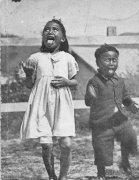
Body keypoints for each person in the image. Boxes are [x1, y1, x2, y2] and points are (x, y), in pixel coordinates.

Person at [20, 19, 79, 180]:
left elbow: (75, 81)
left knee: (66, 144)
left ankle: (63, 176)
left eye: (55, 29)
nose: (50, 31)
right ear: (43, 36)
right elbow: (29, 85)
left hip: (62, 106)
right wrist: (27, 75)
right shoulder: (35, 58)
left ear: (63, 38)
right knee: (46, 145)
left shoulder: (67, 57)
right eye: (46, 29)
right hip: (42, 106)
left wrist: (67, 82)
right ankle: (52, 176)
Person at [85, 44, 139, 180]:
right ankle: (101, 173)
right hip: (101, 122)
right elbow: (88, 101)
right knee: (102, 149)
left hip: (119, 119)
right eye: (107, 60)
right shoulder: (94, 81)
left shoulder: (120, 81)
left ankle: (125, 162)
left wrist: (131, 105)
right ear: (98, 62)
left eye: (114, 60)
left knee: (130, 136)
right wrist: (91, 95)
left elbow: (125, 98)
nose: (111, 63)